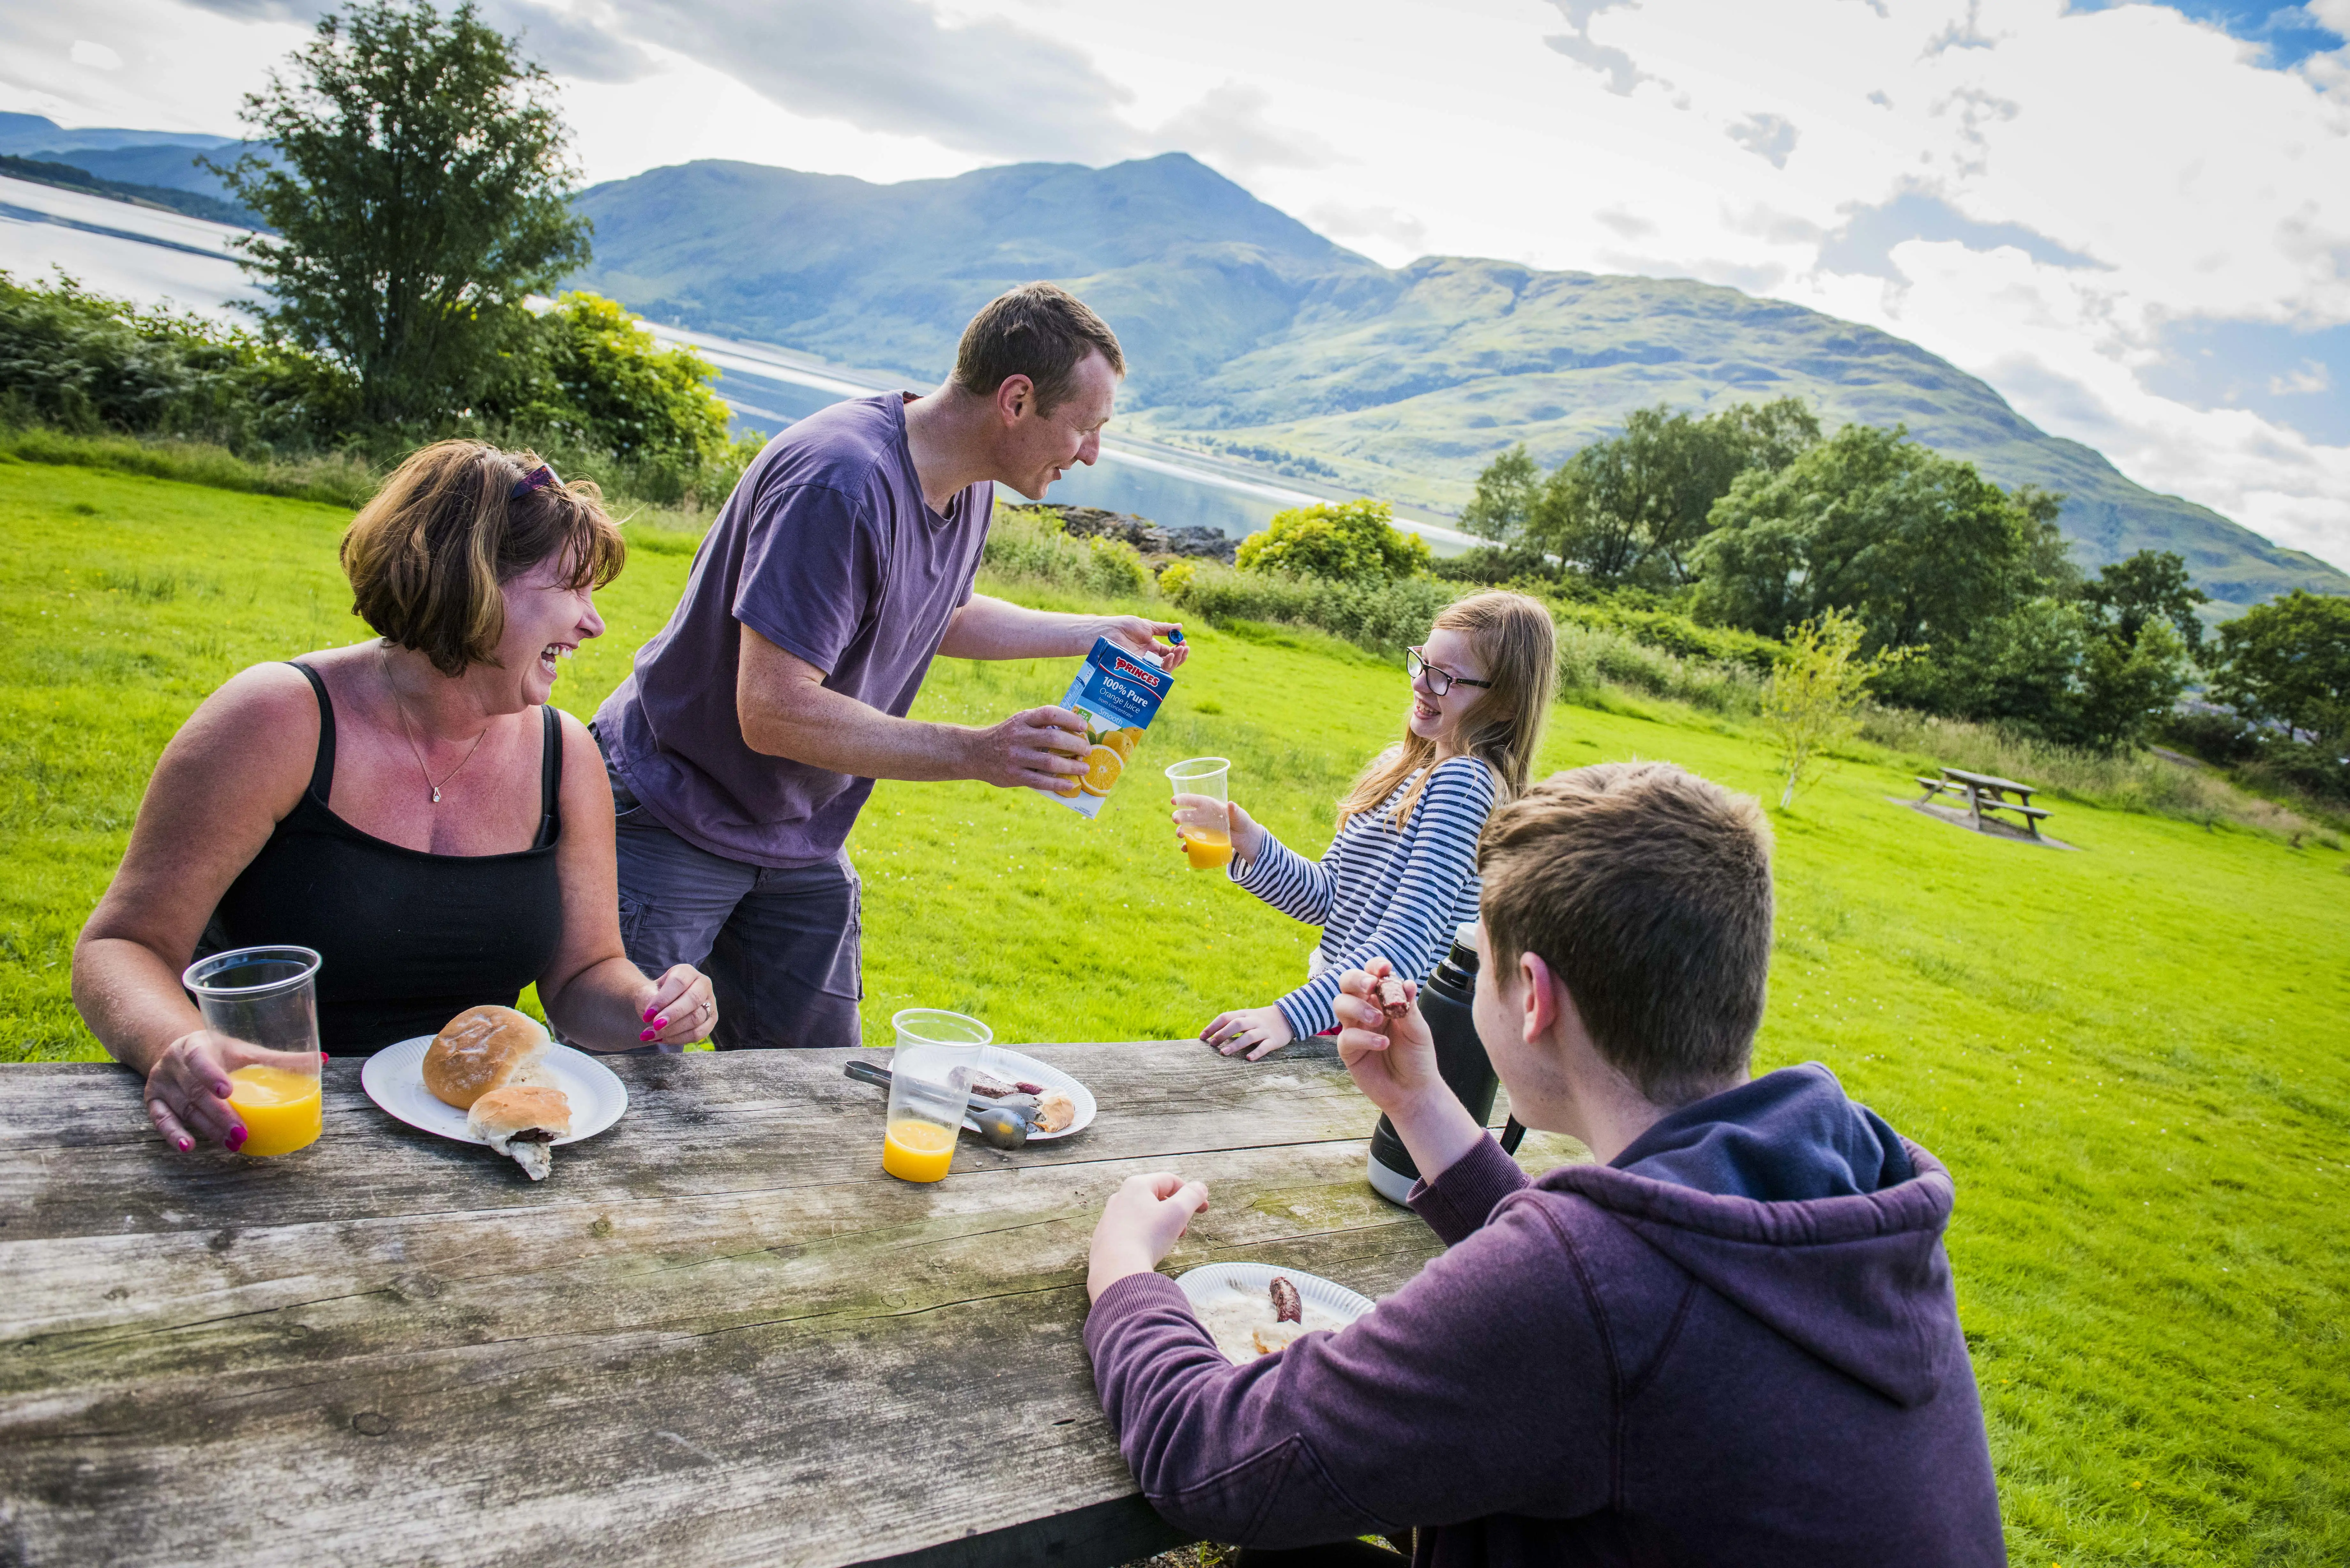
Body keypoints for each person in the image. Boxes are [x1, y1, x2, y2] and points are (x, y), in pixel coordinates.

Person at [1084, 761, 2005, 1565]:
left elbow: (1216, 1462)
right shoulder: (1854, 1180)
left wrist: (1124, 1274)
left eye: (1475, 961)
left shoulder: (1583, 1291)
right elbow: (1635, 1292)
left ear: (1532, 998)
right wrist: (1421, 1105)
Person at [73, 442, 716, 1156]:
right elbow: (122, 945)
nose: (593, 623)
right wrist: (177, 1044)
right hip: (260, 1124)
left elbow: (581, 975)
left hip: (462, 1141)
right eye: (571, 588)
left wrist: (648, 1004)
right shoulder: (278, 719)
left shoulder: (566, 755)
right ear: (471, 581)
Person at [593, 281, 1186, 1052]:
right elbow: (771, 709)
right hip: (678, 814)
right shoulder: (839, 484)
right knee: (621, 1080)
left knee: (815, 1089)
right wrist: (981, 751)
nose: (1092, 454)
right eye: (1086, 428)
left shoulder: (963, 483)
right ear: (1015, 399)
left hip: (798, 835)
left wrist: (1098, 630)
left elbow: (943, 609)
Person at [1192, 591, 1554, 1060]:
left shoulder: (1464, 785)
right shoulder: (1400, 768)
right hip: (1345, 1012)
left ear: (1506, 704)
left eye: (1446, 678)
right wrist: (1250, 843)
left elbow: (1407, 943)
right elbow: (1328, 898)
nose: (1422, 685)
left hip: (1393, 1037)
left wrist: (1285, 1017)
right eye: (1422, 663)